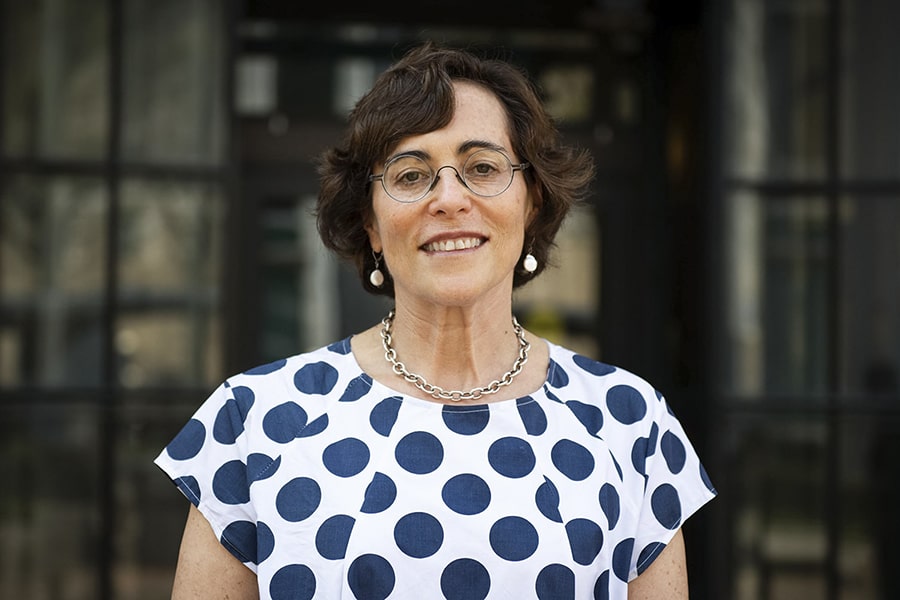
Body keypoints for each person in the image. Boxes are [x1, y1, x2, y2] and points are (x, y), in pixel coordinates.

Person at [155, 42, 716, 600]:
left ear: (532, 205)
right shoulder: (253, 423)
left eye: (482, 167)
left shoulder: (630, 424)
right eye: (410, 175)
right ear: (371, 224)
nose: (449, 198)